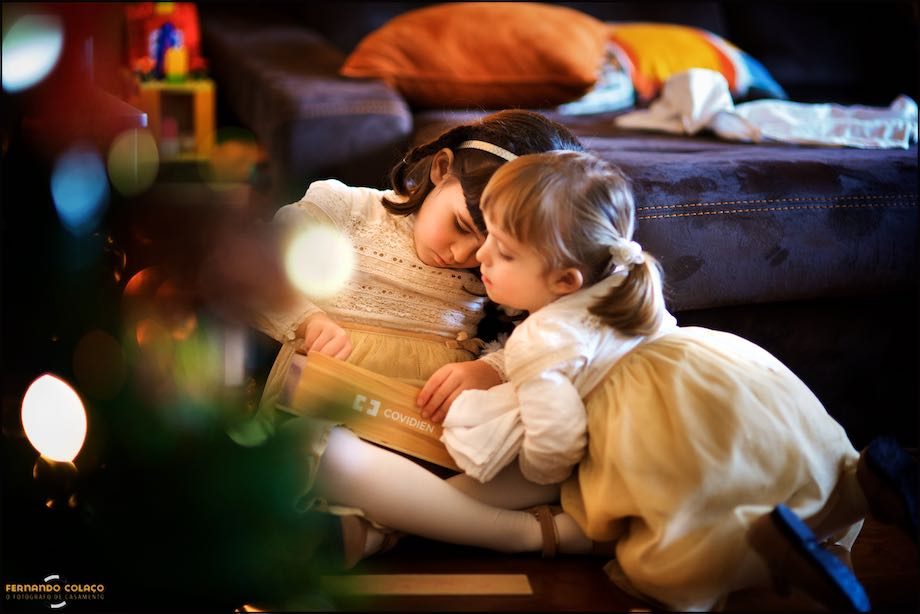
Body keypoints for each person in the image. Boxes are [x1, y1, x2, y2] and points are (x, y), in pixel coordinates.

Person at [431, 150, 917, 611]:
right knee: (770, 447)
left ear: (566, 281)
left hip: (650, 413)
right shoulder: (624, 273)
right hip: (716, 366)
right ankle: (860, 484)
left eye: (505, 252)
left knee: (668, 546)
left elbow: (557, 443)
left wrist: (539, 474)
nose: (483, 256)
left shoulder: (539, 338)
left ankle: (761, 547)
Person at [243, 110, 599, 568]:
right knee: (323, 455)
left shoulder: (499, 266)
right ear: (441, 170)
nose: (467, 256)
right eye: (463, 227)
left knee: (553, 454)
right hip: (339, 418)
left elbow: (553, 336)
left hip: (438, 437)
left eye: (498, 247)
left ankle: (375, 529)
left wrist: (489, 368)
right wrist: (307, 320)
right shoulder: (346, 209)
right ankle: (524, 534)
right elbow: (253, 271)